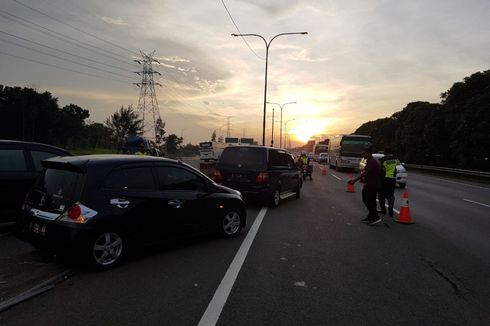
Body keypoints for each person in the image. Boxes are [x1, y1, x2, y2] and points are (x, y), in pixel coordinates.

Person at [348, 147, 382, 225]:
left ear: (369, 153)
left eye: (363, 153)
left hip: (372, 184)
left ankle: (375, 217)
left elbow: (365, 173)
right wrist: (360, 170)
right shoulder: (370, 161)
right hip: (372, 184)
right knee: (371, 201)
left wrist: (354, 181)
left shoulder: (371, 162)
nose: (362, 154)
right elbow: (368, 171)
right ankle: (371, 216)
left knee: (366, 199)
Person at [378, 148, 397, 217]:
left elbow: (380, 169)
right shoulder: (395, 159)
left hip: (384, 179)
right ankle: (391, 207)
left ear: (385, 152)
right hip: (392, 179)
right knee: (391, 195)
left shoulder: (382, 159)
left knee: (381, 195)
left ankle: (383, 210)